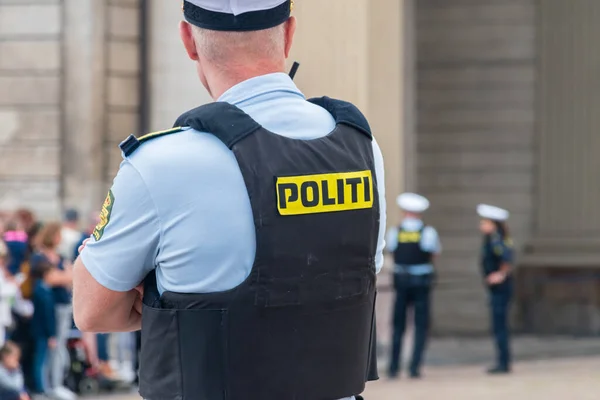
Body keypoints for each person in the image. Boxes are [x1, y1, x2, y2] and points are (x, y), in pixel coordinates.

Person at [72, 1, 386, 399]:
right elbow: (359, 275)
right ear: (289, 33)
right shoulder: (360, 147)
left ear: (188, 40)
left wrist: (164, 303)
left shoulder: (162, 162)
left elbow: (92, 309)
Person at [386, 193, 441, 379]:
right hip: (422, 280)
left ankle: (393, 368)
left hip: (401, 280)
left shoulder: (396, 231)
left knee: (398, 325)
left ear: (404, 212)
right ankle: (414, 367)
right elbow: (433, 254)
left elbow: (393, 252)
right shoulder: (428, 231)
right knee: (420, 324)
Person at [32, 224, 76, 400]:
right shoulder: (39, 257)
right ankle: (49, 386)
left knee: (59, 348)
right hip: (49, 308)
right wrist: (63, 276)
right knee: (50, 347)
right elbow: (51, 278)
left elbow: (72, 276)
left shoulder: (60, 257)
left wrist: (62, 276)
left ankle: (57, 383)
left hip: (64, 306)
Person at [477, 204, 514, 375]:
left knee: (500, 325)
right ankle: (502, 361)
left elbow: (506, 258)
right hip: (496, 288)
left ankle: (503, 362)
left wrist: (500, 274)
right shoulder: (493, 238)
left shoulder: (497, 240)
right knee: (498, 324)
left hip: (501, 288)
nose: (481, 225)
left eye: (484, 222)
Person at [30, 261, 56, 396]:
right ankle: (41, 388)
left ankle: (44, 387)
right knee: (41, 360)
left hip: (42, 332)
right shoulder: (41, 290)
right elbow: (46, 315)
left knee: (42, 360)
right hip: (42, 332)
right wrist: (51, 334)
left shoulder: (43, 289)